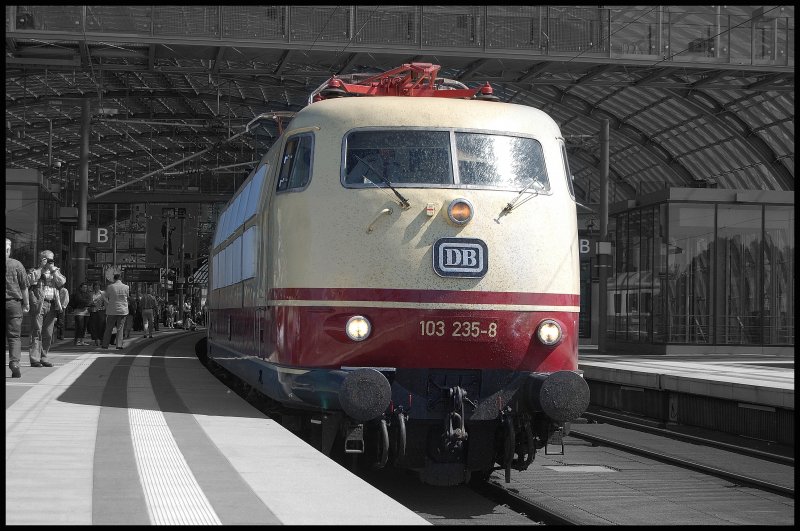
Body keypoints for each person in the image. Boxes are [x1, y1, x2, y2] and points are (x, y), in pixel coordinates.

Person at [27, 249, 66, 368]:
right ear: (41, 259)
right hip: (39, 304)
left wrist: (53, 270)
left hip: (52, 304)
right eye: (47, 259)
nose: (50, 261)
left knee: (48, 334)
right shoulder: (34, 270)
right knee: (36, 332)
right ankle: (34, 359)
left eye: (51, 259)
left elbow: (62, 282)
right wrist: (41, 268)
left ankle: (44, 357)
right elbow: (29, 281)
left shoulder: (55, 271)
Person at [6, 238, 30, 378]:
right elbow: (24, 287)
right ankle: (14, 363)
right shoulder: (17, 264)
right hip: (13, 304)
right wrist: (26, 304)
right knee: (14, 337)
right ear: (8, 250)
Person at [102, 273, 129, 350]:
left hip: (112, 310)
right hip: (123, 310)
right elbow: (127, 296)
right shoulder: (126, 287)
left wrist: (108, 303)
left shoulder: (110, 287)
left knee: (109, 328)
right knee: (120, 328)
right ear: (121, 279)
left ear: (114, 279)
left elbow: (106, 296)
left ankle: (105, 345)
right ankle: (119, 345)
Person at [88, 282, 106, 346]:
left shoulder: (103, 293)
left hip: (101, 311)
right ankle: (96, 339)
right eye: (95, 286)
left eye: (98, 286)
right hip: (93, 311)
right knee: (93, 326)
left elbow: (106, 302)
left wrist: (103, 307)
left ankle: (101, 338)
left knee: (101, 325)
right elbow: (88, 302)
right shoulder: (90, 294)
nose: (96, 287)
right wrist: (91, 304)